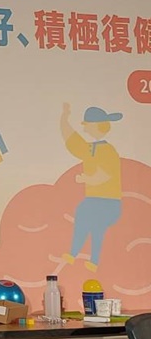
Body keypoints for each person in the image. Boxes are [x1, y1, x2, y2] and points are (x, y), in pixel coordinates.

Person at [59, 103, 123, 272]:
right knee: (83, 213)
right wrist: (64, 118)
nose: (85, 130)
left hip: (109, 202)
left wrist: (86, 178)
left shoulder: (108, 151)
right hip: (94, 200)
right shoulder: (90, 149)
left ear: (97, 126)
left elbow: (104, 175)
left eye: (87, 126)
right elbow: (72, 140)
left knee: (95, 224)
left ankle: (92, 260)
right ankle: (74, 253)